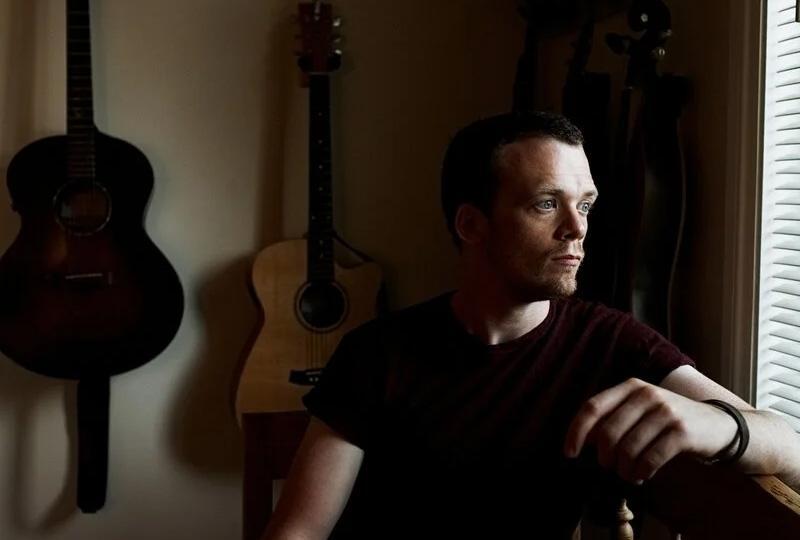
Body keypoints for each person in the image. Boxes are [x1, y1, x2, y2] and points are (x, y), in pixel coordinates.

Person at [262, 111, 800, 539]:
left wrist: (721, 426)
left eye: (585, 205)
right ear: (471, 224)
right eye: (546, 204)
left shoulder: (608, 343)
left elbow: (792, 451)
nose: (577, 230)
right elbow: (299, 530)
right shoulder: (377, 353)